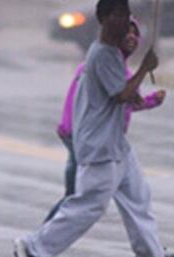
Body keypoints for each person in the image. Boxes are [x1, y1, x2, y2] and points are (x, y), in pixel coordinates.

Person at [13, 0, 174, 257]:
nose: (122, 21)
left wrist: (146, 86)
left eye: (126, 15)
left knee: (137, 199)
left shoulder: (113, 55)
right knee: (88, 207)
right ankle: (32, 249)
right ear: (103, 18)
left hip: (116, 145)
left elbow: (127, 99)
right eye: (116, 15)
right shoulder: (102, 54)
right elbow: (123, 95)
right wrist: (145, 68)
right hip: (100, 148)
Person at [44, 18, 165, 223]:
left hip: (91, 138)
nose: (131, 37)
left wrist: (151, 100)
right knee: (81, 199)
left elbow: (126, 101)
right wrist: (144, 70)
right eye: (125, 32)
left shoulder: (118, 70)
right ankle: (36, 243)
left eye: (135, 33)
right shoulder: (96, 65)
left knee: (127, 195)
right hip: (86, 139)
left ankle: (150, 245)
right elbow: (116, 98)